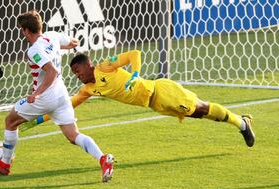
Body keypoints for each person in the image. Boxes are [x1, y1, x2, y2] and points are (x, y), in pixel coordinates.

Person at [20, 50, 255, 147]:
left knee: (201, 110)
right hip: (155, 104)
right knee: (199, 113)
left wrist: (134, 74)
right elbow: (66, 106)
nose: (77, 76)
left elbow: (135, 54)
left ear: (88, 65)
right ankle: (241, 121)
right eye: (74, 74)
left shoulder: (106, 66)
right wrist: (39, 120)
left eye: (78, 71)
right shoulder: (88, 90)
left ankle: (242, 123)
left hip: (161, 91)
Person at [0, 11, 114, 183]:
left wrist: (35, 94)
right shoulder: (52, 36)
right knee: (73, 135)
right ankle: (103, 159)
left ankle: (5, 163)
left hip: (45, 98)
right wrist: (58, 47)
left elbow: (52, 71)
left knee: (10, 121)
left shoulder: (34, 50)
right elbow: (74, 42)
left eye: (22, 30)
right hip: (61, 95)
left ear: (25, 30)